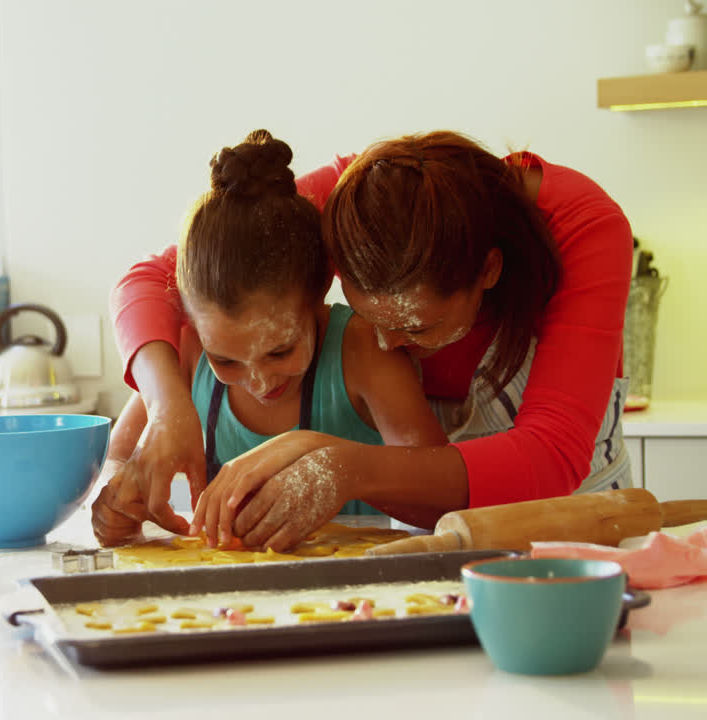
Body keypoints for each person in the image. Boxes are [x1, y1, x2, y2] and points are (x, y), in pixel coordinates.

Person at [105, 130, 633, 552]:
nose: (386, 345)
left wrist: (341, 462)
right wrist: (168, 406)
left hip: (570, 521)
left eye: (416, 328)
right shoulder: (350, 201)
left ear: (489, 270)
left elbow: (548, 458)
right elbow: (151, 278)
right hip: (440, 534)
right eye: (364, 316)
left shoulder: (583, 228)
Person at [91, 130, 449, 548]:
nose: (260, 381)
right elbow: (118, 462)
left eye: (280, 350)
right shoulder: (185, 356)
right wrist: (116, 508)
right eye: (224, 361)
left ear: (319, 297)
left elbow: (440, 499)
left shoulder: (365, 351)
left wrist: (336, 469)